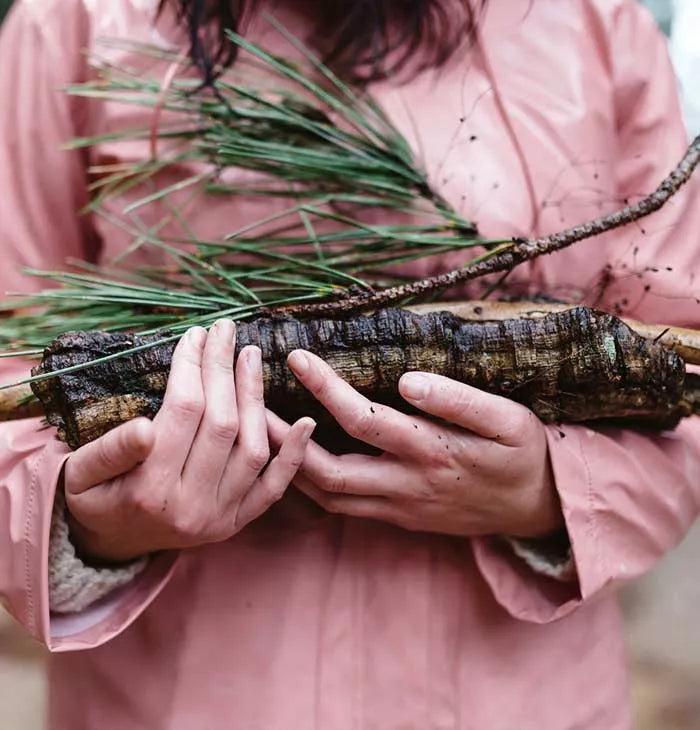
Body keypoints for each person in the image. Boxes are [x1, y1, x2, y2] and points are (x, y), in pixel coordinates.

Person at [0, 0, 699, 727]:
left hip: (520, 699)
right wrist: (94, 527)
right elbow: (13, 361)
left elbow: (679, 373)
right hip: (182, 698)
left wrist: (548, 493)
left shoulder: (596, 23)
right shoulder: (74, 22)